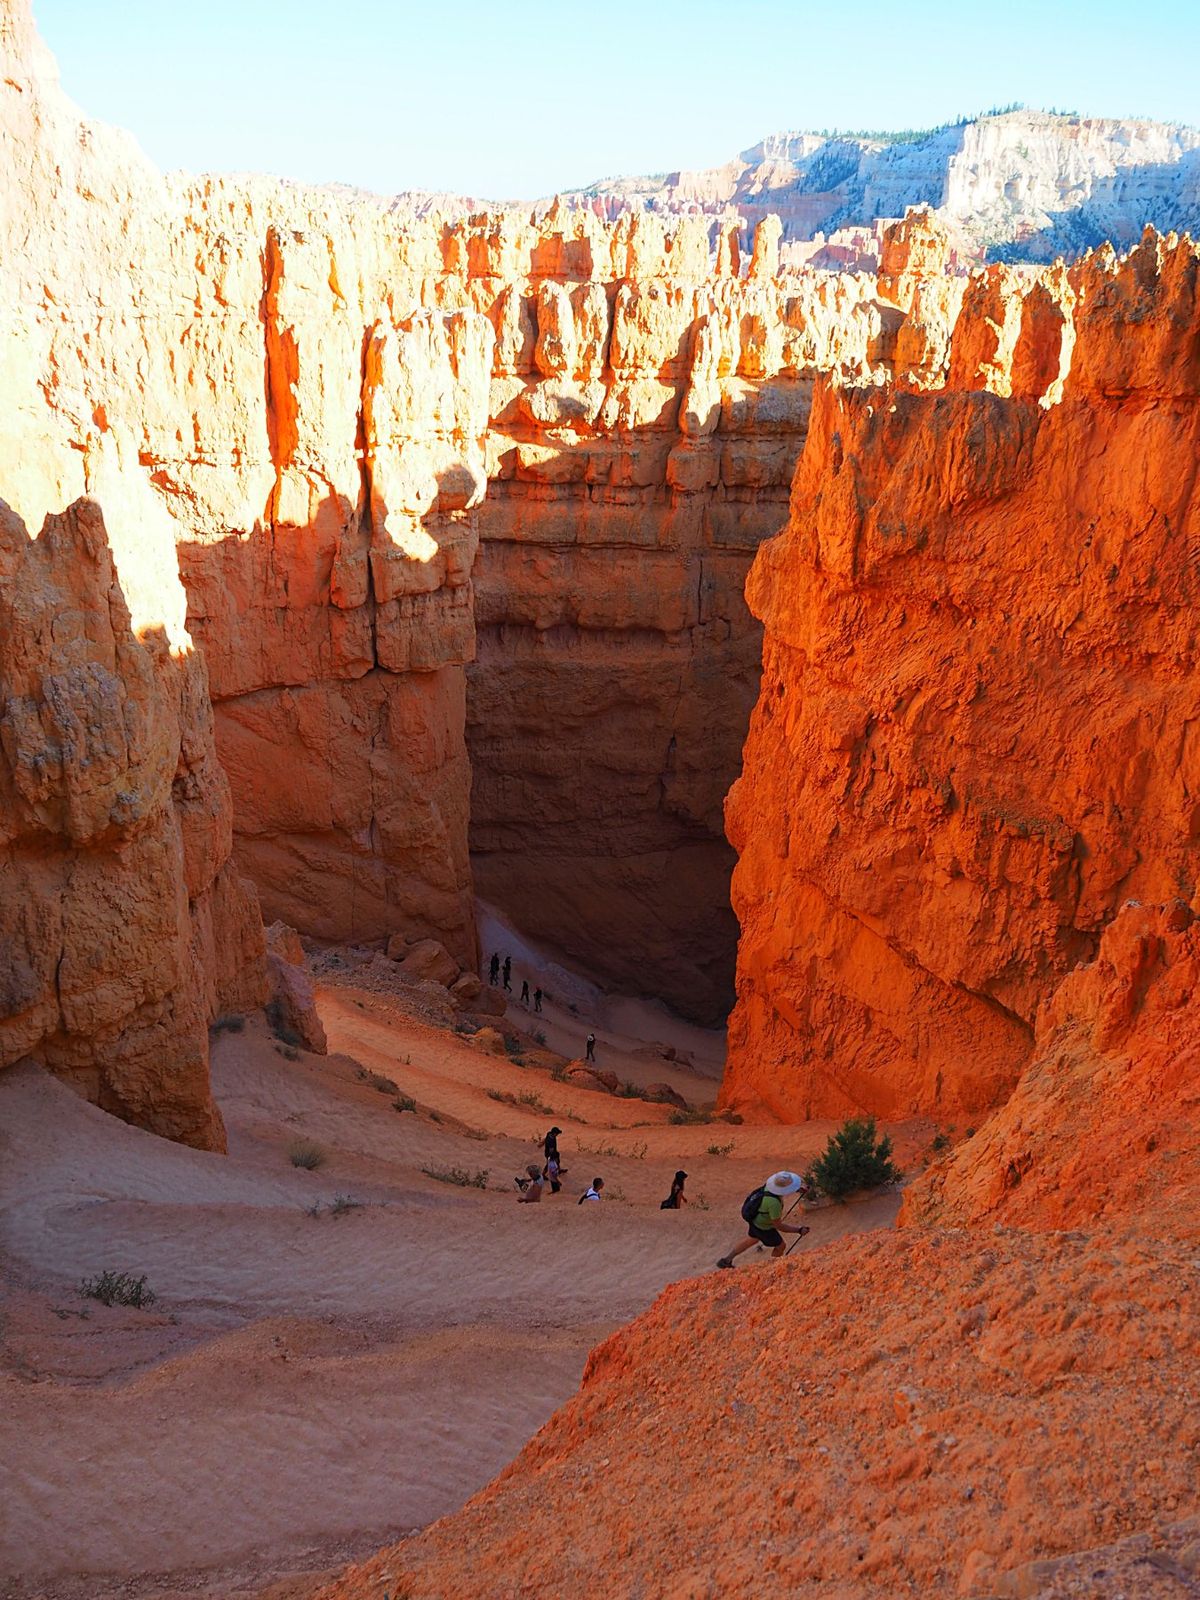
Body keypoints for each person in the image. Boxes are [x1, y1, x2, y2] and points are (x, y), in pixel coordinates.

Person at [716, 1171, 810, 1267]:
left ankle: (726, 1260)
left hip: (755, 1221)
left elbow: (783, 1189)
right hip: (764, 1227)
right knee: (781, 1246)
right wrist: (799, 1230)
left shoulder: (768, 1188)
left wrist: (798, 1189)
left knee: (752, 1239)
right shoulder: (774, 1204)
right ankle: (772, 1267)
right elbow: (779, 1226)